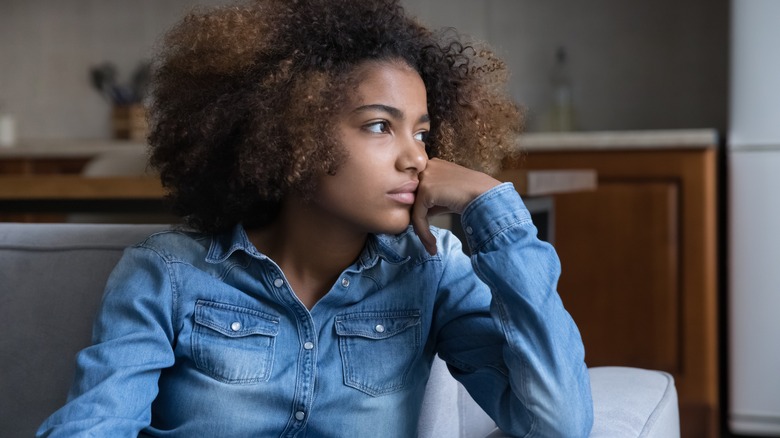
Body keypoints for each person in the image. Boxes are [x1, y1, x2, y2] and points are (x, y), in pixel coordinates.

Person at [37, 0, 593, 436]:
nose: (417, 158)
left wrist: (493, 207)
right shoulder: (167, 274)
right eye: (380, 125)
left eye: (422, 133)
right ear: (288, 132)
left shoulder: (432, 272)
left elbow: (557, 424)